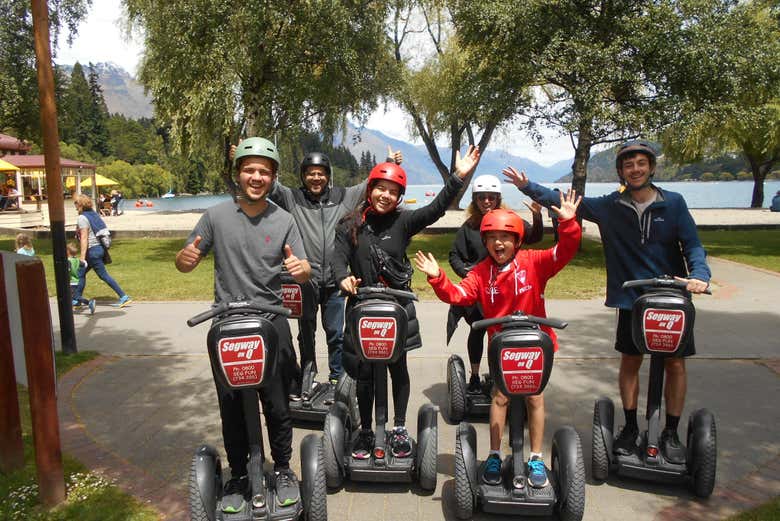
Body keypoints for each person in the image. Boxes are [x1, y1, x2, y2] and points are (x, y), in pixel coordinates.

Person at [505, 140, 711, 464]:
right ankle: (630, 427)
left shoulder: (673, 203)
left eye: (641, 163)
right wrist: (527, 186)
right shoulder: (610, 206)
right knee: (630, 361)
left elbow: (693, 246)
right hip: (632, 300)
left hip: (672, 300)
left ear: (651, 167)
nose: (635, 169)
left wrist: (699, 275)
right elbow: (565, 201)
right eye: (629, 165)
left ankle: (670, 432)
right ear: (621, 171)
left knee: (675, 363)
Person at [175, 136, 311, 512]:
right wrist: (185, 259)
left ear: (273, 177)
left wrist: (301, 269)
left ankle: (282, 468)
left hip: (271, 321)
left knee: (278, 404)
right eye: (249, 170)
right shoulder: (215, 217)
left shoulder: (284, 220)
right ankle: (237, 474)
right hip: (228, 323)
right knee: (231, 406)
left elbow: (303, 269)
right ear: (238, 174)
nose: (256, 177)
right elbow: (186, 259)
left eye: (264, 172)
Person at [416, 193, 582, 487]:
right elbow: (459, 295)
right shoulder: (481, 273)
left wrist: (568, 223)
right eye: (492, 238)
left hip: (534, 345)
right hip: (502, 348)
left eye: (505, 237)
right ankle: (494, 454)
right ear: (485, 241)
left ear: (517, 240)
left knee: (534, 397)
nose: (498, 243)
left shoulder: (534, 262)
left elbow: (565, 251)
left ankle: (535, 458)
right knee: (500, 396)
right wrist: (438, 277)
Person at [333, 145, 481, 460]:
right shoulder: (349, 225)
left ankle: (399, 427)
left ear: (399, 196)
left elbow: (436, 208)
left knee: (397, 367)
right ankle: (367, 430)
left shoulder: (403, 221)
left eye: (393, 191)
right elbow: (337, 259)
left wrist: (458, 177)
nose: (385, 195)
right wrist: (342, 278)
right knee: (364, 372)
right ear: (370, 189)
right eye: (380, 188)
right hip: (362, 307)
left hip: (396, 307)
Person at [264, 145, 402, 399]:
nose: (315, 178)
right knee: (306, 333)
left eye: (320, 173)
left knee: (336, 333)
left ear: (328, 175)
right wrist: (248, 158)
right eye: (310, 173)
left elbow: (371, 184)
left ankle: (337, 376)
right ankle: (308, 376)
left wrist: (389, 162)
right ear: (303, 176)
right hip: (305, 280)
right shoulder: (293, 198)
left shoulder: (344, 197)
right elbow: (269, 184)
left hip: (335, 280)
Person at [447, 174, 543, 392]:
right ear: (475, 200)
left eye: (491, 197)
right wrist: (466, 274)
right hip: (479, 290)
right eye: (481, 197)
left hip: (506, 290)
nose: (486, 201)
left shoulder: (509, 220)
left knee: (503, 333)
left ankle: (500, 373)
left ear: (498, 198)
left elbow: (534, 237)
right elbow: (454, 255)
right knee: (477, 331)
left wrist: (537, 217)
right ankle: (474, 375)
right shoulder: (469, 227)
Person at [72, 194, 132, 308]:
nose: (74, 206)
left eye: (75, 203)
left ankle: (124, 296)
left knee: (103, 275)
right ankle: (76, 299)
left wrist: (82, 257)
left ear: (80, 205)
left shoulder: (82, 218)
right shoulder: (93, 215)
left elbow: (84, 238)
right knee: (81, 273)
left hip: (92, 251)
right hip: (99, 248)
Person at [67, 242, 96, 314]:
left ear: (68, 252)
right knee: (73, 295)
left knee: (75, 296)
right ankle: (74, 303)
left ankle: (89, 302)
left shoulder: (68, 261)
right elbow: (85, 264)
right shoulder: (77, 260)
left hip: (72, 282)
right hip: (78, 280)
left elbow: (68, 270)